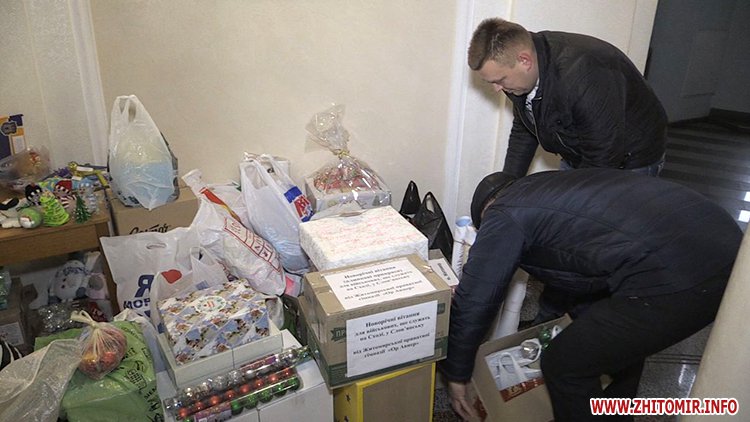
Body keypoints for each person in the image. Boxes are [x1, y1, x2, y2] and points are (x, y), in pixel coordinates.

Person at [439, 169, 742, 422]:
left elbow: (476, 299)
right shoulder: (546, 189)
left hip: (681, 274)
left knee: (565, 365)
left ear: (485, 214)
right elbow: (580, 264)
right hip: (724, 244)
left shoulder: (502, 216)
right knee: (617, 348)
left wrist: (457, 375)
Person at [467, 18, 668, 178]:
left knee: (599, 217)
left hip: (629, 161)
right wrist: (506, 185)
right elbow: (526, 128)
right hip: (581, 153)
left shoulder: (584, 74)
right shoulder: (519, 77)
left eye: (500, 80)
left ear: (524, 61)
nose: (497, 88)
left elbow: (603, 155)